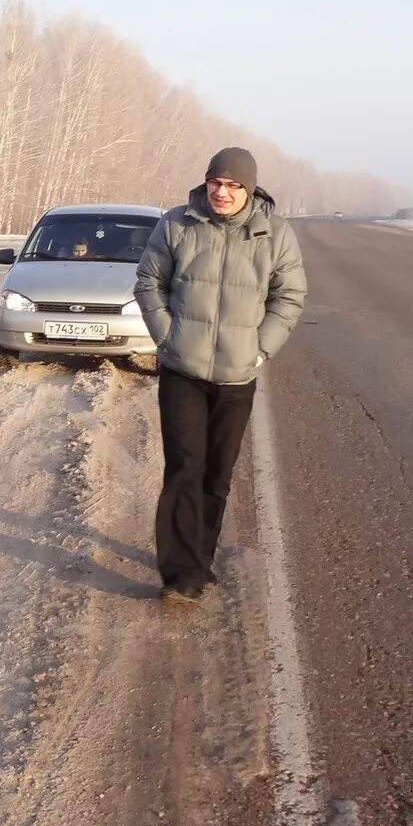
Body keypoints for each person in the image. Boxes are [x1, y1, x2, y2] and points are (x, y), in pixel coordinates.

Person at [134, 147, 307, 604]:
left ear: (249, 189)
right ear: (206, 182)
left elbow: (289, 297)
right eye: (216, 182)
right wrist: (166, 335)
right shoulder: (177, 224)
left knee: (217, 474)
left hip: (236, 376)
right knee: (185, 467)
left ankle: (200, 559)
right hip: (182, 370)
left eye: (233, 185)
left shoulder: (275, 235)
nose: (222, 192)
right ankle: (180, 575)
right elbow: (148, 282)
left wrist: (260, 348)